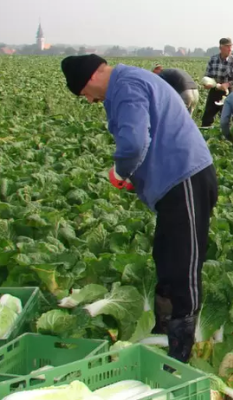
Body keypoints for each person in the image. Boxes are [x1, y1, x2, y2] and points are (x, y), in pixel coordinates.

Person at [60, 54, 218, 363]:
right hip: (173, 180)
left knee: (183, 262)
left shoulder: (127, 86)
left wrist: (120, 172)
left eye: (84, 95)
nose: (90, 101)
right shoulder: (129, 82)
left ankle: (181, 348)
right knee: (166, 254)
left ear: (89, 79)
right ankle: (164, 327)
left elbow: (133, 143)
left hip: (184, 176)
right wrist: (138, 176)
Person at [201, 38, 233, 129]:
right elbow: (207, 76)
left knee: (226, 119)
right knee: (207, 117)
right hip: (214, 91)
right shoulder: (213, 59)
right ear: (221, 47)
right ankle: (205, 136)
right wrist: (207, 84)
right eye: (227, 47)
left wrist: (227, 84)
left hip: (229, 93)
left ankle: (226, 139)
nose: (230, 49)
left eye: (231, 47)